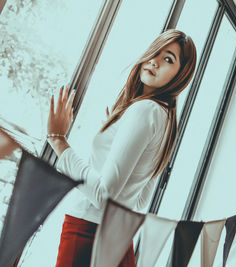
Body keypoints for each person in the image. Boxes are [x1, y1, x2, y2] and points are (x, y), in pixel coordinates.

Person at [46, 29, 197, 267]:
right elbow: (139, 200)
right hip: (116, 242)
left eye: (168, 59)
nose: (154, 61)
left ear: (182, 74)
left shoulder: (145, 110)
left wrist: (58, 140)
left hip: (88, 234)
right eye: (154, 52)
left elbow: (105, 196)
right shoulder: (165, 119)